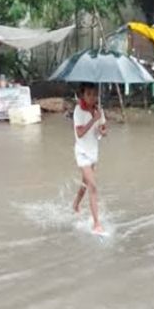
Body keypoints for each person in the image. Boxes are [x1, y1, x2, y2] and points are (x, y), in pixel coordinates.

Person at [71, 83, 108, 234]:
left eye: (94, 94)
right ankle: (97, 224)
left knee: (85, 184)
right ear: (83, 95)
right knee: (93, 186)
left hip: (93, 153)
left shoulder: (99, 111)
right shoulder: (78, 111)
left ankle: (75, 204)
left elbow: (103, 130)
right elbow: (79, 133)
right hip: (82, 153)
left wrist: (102, 130)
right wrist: (94, 120)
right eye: (89, 94)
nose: (92, 97)